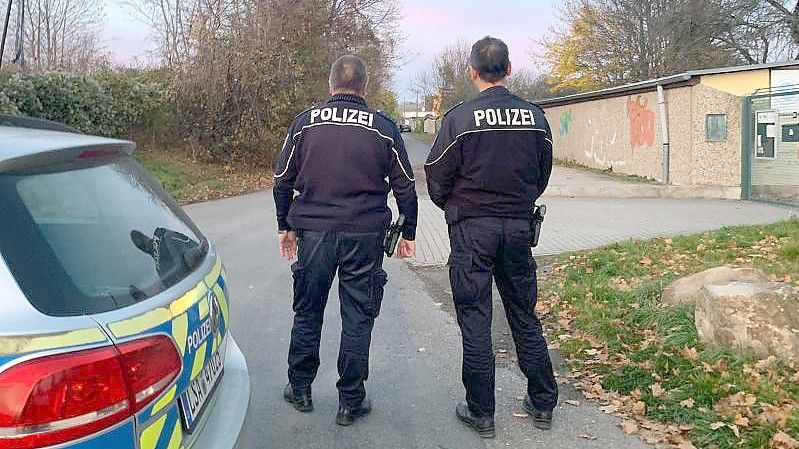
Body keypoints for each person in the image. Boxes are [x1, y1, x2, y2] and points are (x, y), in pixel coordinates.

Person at [424, 36, 558, 438]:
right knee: (523, 315)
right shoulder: (535, 117)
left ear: (472, 71)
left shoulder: (460, 119)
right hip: (518, 229)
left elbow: (435, 177)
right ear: (509, 68)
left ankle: (482, 412)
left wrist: (455, 206)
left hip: (472, 232)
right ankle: (543, 401)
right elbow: (542, 173)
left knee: (475, 319)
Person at [273, 55, 418, 426]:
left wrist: (283, 226)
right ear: (364, 88)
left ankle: (300, 388)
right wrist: (409, 232)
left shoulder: (305, 123)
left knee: (308, 311)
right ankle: (350, 400)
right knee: (358, 315)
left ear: (330, 83)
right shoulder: (384, 127)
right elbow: (405, 184)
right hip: (364, 235)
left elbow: (282, 178)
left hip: (314, 233)